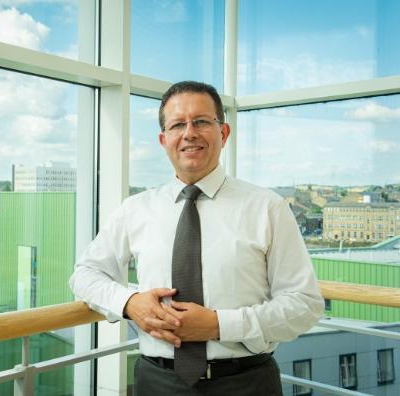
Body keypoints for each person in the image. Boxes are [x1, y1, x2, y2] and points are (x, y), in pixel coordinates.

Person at [69, 81, 324, 395]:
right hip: (157, 382)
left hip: (246, 383)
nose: (189, 133)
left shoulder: (267, 207)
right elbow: (84, 275)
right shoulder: (135, 209)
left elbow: (305, 304)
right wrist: (130, 303)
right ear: (164, 140)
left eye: (202, 121)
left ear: (224, 133)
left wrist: (219, 325)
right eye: (178, 124)